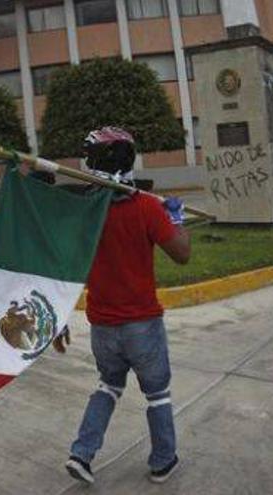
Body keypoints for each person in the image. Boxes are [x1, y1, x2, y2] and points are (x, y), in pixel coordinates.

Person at [54, 126, 190, 485]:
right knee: (157, 394)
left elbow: (68, 267)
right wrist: (176, 218)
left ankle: (81, 454)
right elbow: (182, 254)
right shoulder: (148, 208)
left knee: (108, 387)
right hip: (142, 324)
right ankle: (163, 461)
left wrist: (58, 317)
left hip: (103, 327)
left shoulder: (86, 213)